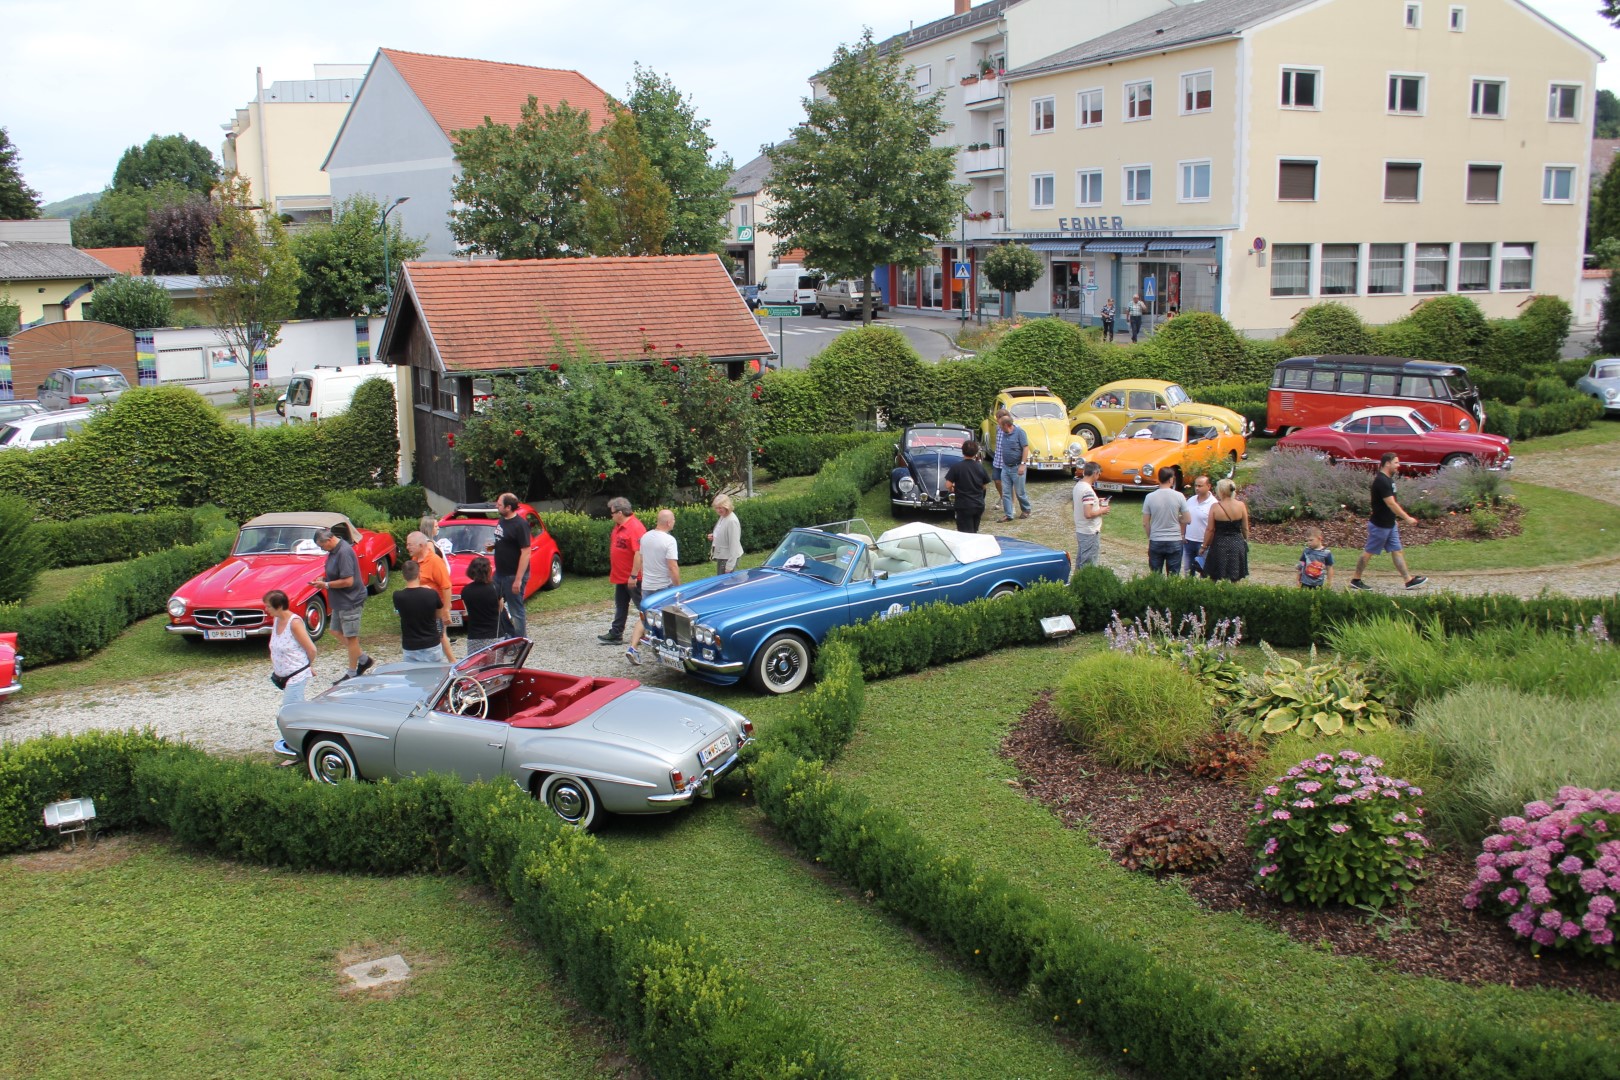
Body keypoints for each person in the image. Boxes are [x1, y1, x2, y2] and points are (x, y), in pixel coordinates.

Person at [1350, 453, 1428, 591]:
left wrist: (1394, 520)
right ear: (1387, 463)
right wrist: (1407, 518)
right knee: (1369, 552)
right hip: (1380, 525)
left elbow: (1392, 505)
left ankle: (1408, 580)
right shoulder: (1381, 481)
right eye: (1396, 463)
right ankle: (1356, 579)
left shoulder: (1389, 480)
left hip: (1390, 524)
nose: (1399, 465)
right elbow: (1391, 504)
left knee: (1397, 551)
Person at [313, 526, 373, 684]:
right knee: (334, 630)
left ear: (329, 540)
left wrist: (326, 586)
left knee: (351, 638)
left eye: (322, 546)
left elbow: (348, 581)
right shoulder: (333, 552)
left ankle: (352, 673)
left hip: (351, 600)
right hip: (339, 601)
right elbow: (335, 573)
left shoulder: (344, 552)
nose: (322, 549)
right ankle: (363, 658)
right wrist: (324, 579)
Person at [626, 509, 679, 665]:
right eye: (673, 519)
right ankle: (666, 652)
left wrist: (634, 575)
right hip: (664, 586)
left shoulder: (645, 537)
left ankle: (632, 647)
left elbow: (640, 558)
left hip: (648, 585)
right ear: (669, 522)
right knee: (667, 619)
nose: (674, 522)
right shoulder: (669, 541)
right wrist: (678, 588)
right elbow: (672, 567)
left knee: (645, 616)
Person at [599, 497, 646, 645]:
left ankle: (651, 632)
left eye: (612, 513)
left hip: (632, 577)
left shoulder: (635, 528)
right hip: (621, 576)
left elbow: (639, 553)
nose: (611, 516)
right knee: (620, 604)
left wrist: (634, 575)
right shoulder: (619, 526)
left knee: (643, 607)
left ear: (620, 513)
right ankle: (616, 633)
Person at [405, 530, 455, 662]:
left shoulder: (434, 561)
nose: (407, 547)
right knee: (438, 636)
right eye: (407, 544)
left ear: (421, 545)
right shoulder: (414, 560)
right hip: (420, 608)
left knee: (440, 635)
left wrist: (446, 609)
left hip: (434, 607)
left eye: (410, 545)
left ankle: (452, 663)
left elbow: (446, 586)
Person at [490, 493, 532, 639]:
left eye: (499, 504)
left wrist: (518, 579)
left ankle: (520, 641)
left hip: (513, 575)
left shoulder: (520, 525)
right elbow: (506, 541)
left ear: (508, 507)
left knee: (516, 610)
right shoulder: (502, 520)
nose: (496, 506)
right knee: (493, 601)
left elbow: (526, 552)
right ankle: (509, 633)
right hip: (499, 573)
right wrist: (495, 545)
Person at [265, 589, 317, 704]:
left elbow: (311, 649)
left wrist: (307, 666)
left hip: (296, 675)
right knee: (298, 708)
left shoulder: (294, 623)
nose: (266, 609)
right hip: (283, 676)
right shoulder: (276, 620)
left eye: (268, 606)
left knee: (290, 711)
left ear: (278, 606)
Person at [393, 560, 448, 664]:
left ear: (403, 576)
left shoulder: (397, 596)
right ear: (419, 574)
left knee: (413, 678)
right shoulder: (431, 594)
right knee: (435, 677)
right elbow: (439, 616)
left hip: (410, 646)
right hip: (431, 643)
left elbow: (399, 613)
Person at [1199, 478, 1250, 582]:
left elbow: (1210, 529)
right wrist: (1245, 538)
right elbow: (1245, 528)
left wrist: (1204, 546)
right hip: (1237, 543)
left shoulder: (1215, 507)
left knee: (1213, 576)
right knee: (1235, 577)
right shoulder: (1241, 505)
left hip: (1219, 544)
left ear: (1221, 491)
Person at [1141, 466, 1189, 574]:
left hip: (1156, 539)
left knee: (1155, 575)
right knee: (1173, 576)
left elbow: (1145, 522)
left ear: (1159, 479)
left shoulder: (1149, 497)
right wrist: (1177, 518)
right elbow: (1187, 519)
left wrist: (1151, 536)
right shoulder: (1179, 496)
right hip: (1174, 539)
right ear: (1171, 479)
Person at [944, 439, 993, 533]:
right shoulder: (980, 467)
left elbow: (948, 485)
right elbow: (984, 485)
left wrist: (952, 489)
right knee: (974, 530)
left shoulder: (957, 467)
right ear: (976, 453)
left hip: (964, 504)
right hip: (978, 504)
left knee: (965, 533)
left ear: (962, 451)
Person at [993, 412, 1032, 522]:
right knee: (1006, 492)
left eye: (1001, 425)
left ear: (1006, 425)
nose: (999, 427)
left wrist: (1022, 465)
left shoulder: (1020, 432)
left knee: (1020, 492)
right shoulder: (1004, 432)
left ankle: (1026, 509)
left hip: (1017, 467)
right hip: (1006, 467)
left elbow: (1025, 448)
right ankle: (1008, 515)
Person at [1072, 460, 1110, 570]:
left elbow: (1077, 504)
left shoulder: (1078, 486)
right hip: (1090, 531)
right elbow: (1088, 514)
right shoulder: (1088, 490)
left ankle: (1077, 583)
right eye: (1099, 474)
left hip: (1081, 529)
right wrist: (1102, 510)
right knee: (1088, 563)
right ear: (1095, 473)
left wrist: (1096, 501)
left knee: (1080, 560)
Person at [461, 555, 503, 655]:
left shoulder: (466, 590)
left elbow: (466, 611)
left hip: (474, 635)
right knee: (495, 666)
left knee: (476, 666)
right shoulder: (495, 587)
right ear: (488, 571)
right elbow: (500, 608)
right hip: (495, 633)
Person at [1183, 474, 1216, 576]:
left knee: (1204, 571)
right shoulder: (1191, 500)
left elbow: (1213, 527)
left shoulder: (1213, 504)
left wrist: (1205, 544)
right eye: (1196, 486)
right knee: (1188, 570)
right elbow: (1184, 518)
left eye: (1200, 486)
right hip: (1188, 541)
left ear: (1208, 486)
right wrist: (1182, 535)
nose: (1197, 488)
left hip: (1203, 543)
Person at [708, 493, 742, 575]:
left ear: (727, 506)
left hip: (728, 558)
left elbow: (734, 545)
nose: (718, 510)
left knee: (726, 584)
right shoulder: (723, 516)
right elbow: (723, 532)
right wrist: (714, 536)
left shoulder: (732, 521)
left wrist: (730, 566)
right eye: (716, 508)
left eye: (720, 508)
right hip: (723, 556)